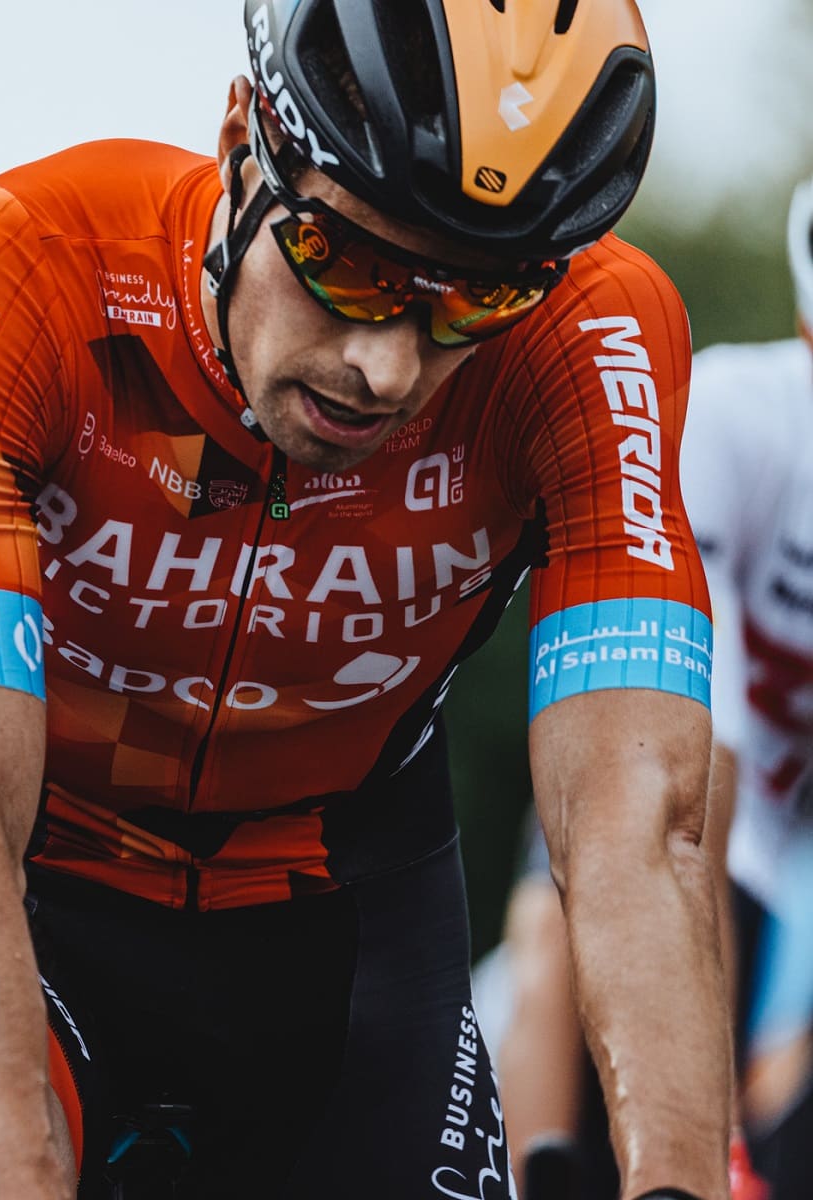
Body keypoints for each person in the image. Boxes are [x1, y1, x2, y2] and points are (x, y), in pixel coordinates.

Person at [0, 2, 732, 1197]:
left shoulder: (592, 334)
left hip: (340, 913)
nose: (386, 365)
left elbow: (638, 827)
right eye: (351, 267)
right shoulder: (30, 265)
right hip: (26, 871)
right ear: (243, 140)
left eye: (475, 302)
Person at [499, 176, 813, 1200]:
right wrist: (715, 1138)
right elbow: (697, 769)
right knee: (578, 895)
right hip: (685, 767)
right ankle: (526, 1171)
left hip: (791, 843)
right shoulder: (739, 418)